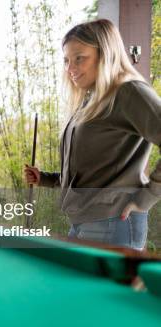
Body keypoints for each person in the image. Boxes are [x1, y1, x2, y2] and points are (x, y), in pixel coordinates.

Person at [23, 19, 161, 250]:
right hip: (83, 222)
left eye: (80, 58)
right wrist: (46, 178)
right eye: (66, 60)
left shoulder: (128, 91)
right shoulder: (92, 99)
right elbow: (96, 169)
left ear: (106, 54)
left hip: (114, 222)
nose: (70, 68)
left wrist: (146, 198)